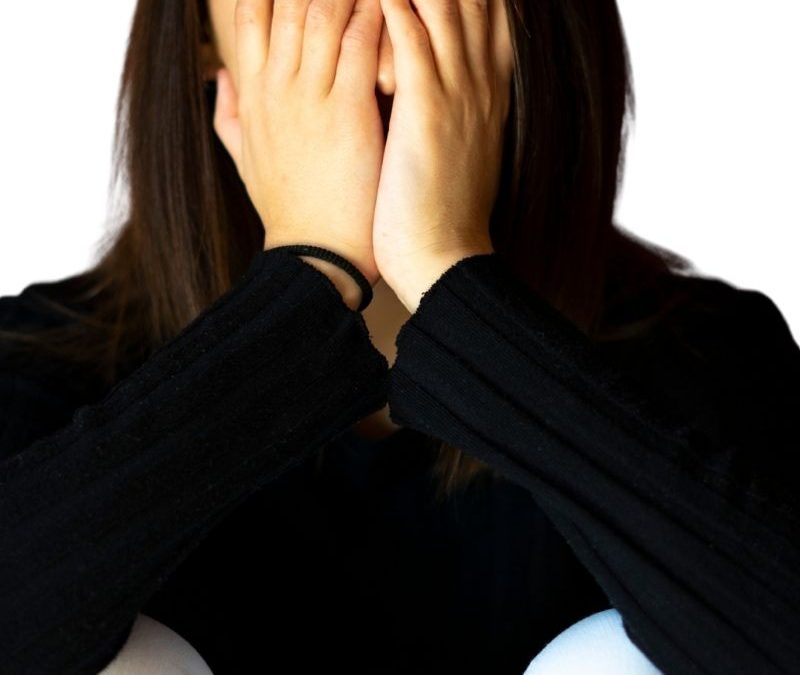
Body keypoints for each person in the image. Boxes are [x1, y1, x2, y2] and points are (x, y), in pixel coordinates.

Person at [1, 0, 798, 674]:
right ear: (206, 34)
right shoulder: (39, 362)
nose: (369, 18)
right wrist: (307, 287)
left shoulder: (714, 353)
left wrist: (448, 275)